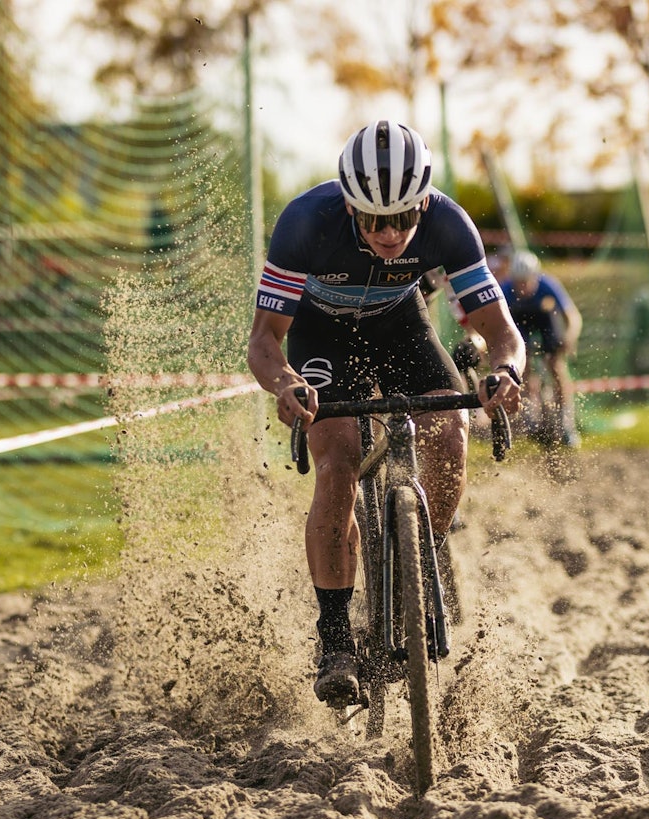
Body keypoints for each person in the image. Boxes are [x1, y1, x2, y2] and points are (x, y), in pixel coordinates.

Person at [246, 120, 525, 706]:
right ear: (350, 208)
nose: (391, 232)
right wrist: (286, 384)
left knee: (451, 434)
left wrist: (506, 373)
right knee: (338, 460)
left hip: (401, 322)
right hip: (322, 336)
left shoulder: (450, 224)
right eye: (374, 220)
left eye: (403, 217)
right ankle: (336, 639)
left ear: (424, 202)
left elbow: (503, 334)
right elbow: (265, 341)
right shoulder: (305, 222)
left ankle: (414, 567)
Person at [499, 249, 583, 448]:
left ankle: (567, 423)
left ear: (535, 276)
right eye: (518, 281)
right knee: (522, 366)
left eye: (526, 281)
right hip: (519, 321)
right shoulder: (504, 289)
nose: (522, 286)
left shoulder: (548, 285)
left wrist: (569, 338)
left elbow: (572, 317)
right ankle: (530, 417)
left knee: (555, 365)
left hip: (545, 319)